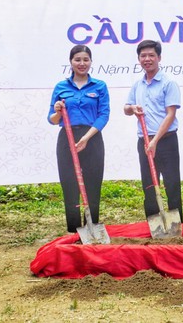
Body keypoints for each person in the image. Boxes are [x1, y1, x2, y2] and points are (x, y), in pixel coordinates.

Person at [48, 45, 110, 233]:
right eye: (77, 60)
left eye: (85, 60)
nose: (81, 63)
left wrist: (86, 137)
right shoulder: (61, 87)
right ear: (71, 62)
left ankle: (91, 228)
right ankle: (73, 229)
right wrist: (58, 111)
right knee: (69, 183)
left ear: (91, 62)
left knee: (93, 182)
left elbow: (104, 114)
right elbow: (51, 119)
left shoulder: (99, 86)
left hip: (92, 137)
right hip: (67, 137)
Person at [124, 39, 183, 222]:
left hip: (166, 141)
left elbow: (170, 115)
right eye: (143, 56)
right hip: (144, 141)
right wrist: (132, 108)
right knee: (149, 185)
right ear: (138, 59)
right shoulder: (138, 85)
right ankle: (154, 224)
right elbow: (126, 108)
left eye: (151, 55)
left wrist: (155, 141)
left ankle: (176, 225)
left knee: (172, 184)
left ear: (159, 58)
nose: (147, 59)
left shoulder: (169, 83)